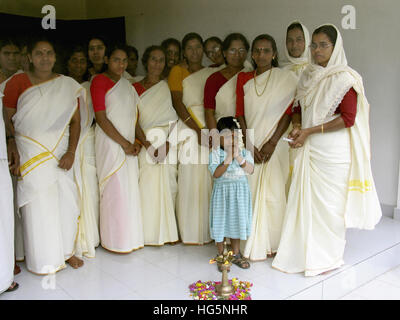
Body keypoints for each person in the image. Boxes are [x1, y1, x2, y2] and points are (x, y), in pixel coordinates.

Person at [272, 24, 382, 277]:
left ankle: (327, 256)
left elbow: (348, 118)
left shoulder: (345, 77)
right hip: (308, 146)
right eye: (315, 45)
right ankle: (302, 252)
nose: (317, 50)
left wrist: (309, 132)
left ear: (335, 47)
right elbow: (297, 108)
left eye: (324, 45)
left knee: (330, 206)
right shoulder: (307, 75)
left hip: (332, 152)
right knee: (306, 203)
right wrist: (298, 126)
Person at [3, 37, 85, 274]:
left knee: (65, 203)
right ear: (29, 56)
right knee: (37, 204)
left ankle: (67, 252)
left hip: (61, 154)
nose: (44, 58)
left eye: (49, 53)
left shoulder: (67, 85)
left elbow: (76, 122)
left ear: (55, 57)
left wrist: (70, 152)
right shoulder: (16, 82)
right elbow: (9, 119)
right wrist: (12, 145)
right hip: (30, 153)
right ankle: (42, 257)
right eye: (39, 53)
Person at [235, 34, 298, 261]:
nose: (261, 55)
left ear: (274, 54)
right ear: (252, 54)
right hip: (251, 143)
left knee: (274, 191)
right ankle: (250, 241)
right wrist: (249, 144)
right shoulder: (244, 78)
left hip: (276, 143)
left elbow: (290, 111)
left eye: (266, 50)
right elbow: (240, 113)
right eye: (257, 50)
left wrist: (271, 142)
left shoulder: (287, 79)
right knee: (249, 191)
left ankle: (273, 242)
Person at [91, 44, 150, 253]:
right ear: (106, 59)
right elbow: (100, 117)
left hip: (129, 144)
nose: (121, 64)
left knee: (128, 189)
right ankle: (114, 240)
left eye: (124, 61)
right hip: (110, 142)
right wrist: (124, 143)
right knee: (114, 189)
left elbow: (134, 119)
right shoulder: (99, 81)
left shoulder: (128, 85)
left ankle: (130, 238)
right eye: (116, 59)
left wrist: (139, 141)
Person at [168, 32, 214, 245]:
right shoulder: (177, 71)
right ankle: (188, 232)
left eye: (198, 47)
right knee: (188, 179)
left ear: (203, 49)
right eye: (189, 48)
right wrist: (197, 131)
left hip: (208, 125)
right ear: (184, 51)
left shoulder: (210, 72)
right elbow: (177, 103)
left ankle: (207, 231)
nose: (194, 51)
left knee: (207, 178)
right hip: (189, 128)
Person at [133, 45, 179, 246]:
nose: (157, 64)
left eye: (161, 60)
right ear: (146, 61)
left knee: (168, 186)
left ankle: (168, 234)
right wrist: (148, 145)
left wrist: (168, 144)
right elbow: (132, 120)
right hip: (145, 143)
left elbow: (176, 117)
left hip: (167, 142)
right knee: (146, 186)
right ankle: (147, 234)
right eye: (153, 59)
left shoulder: (169, 86)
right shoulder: (134, 88)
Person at [66, 45, 100, 258]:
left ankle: (92, 237)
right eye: (74, 60)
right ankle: (73, 240)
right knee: (72, 191)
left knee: (91, 187)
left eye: (82, 60)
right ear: (67, 63)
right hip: (68, 142)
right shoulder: (61, 84)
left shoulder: (91, 85)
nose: (78, 64)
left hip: (89, 139)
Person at [209, 117, 254, 271]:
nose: (231, 140)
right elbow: (216, 174)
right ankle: (221, 254)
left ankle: (235, 253)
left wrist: (238, 157)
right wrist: (228, 158)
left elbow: (251, 170)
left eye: (234, 136)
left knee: (236, 223)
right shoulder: (216, 154)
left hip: (239, 197)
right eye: (227, 137)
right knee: (221, 223)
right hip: (222, 196)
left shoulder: (244, 153)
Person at [0, 39, 24, 276]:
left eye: (16, 53)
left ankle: (16, 253)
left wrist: (11, 140)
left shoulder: (22, 81)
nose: (12, 57)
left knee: (13, 201)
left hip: (15, 145)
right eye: (7, 52)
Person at [204, 33, 252, 131]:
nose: (237, 55)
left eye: (241, 50)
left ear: (247, 53)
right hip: (224, 131)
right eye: (232, 50)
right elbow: (209, 113)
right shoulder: (214, 79)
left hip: (250, 128)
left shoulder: (253, 75)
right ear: (224, 53)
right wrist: (216, 139)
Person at [0, 92, 18, 293]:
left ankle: (4, 278)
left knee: (4, 215)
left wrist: (10, 139)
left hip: (1, 155)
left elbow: (3, 113)